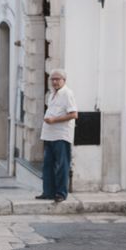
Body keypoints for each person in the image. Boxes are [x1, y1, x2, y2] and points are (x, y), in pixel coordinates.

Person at [36, 69, 78, 203]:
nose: (54, 81)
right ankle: (48, 192)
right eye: (52, 79)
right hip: (49, 135)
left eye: (57, 79)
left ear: (64, 80)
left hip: (61, 135)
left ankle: (61, 193)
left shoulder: (67, 93)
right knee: (47, 165)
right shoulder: (52, 94)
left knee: (62, 165)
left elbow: (73, 114)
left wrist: (54, 120)